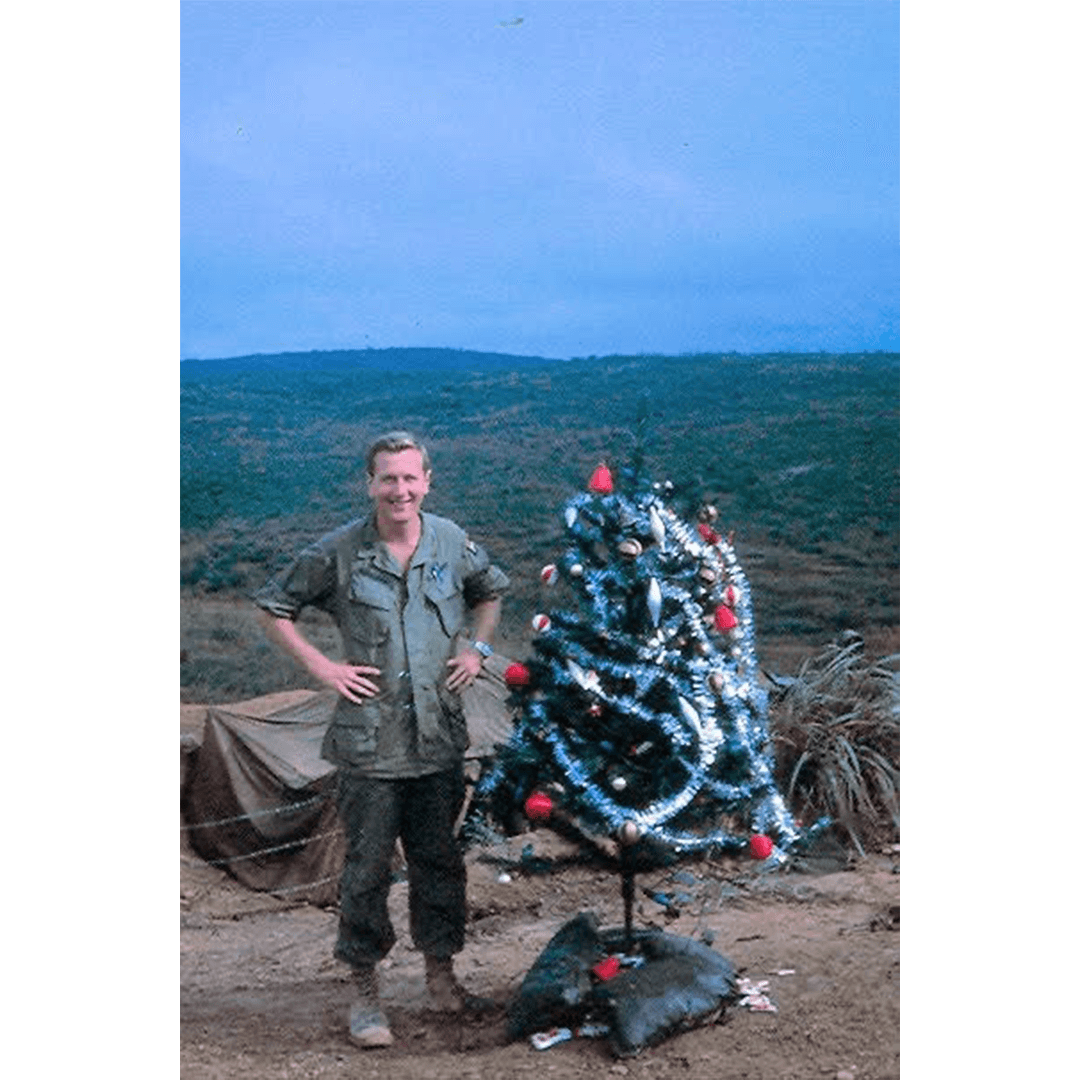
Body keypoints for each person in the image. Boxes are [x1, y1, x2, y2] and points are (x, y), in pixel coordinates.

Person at [253, 431, 509, 1049]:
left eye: (409, 479)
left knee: (439, 863)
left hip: (437, 739)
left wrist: (476, 648)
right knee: (366, 869)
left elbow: (491, 591)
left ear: (427, 481)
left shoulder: (450, 541)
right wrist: (324, 669)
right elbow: (272, 605)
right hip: (369, 745)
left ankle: (441, 977)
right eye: (387, 479)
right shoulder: (340, 551)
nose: (400, 490)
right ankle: (365, 993)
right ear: (370, 484)